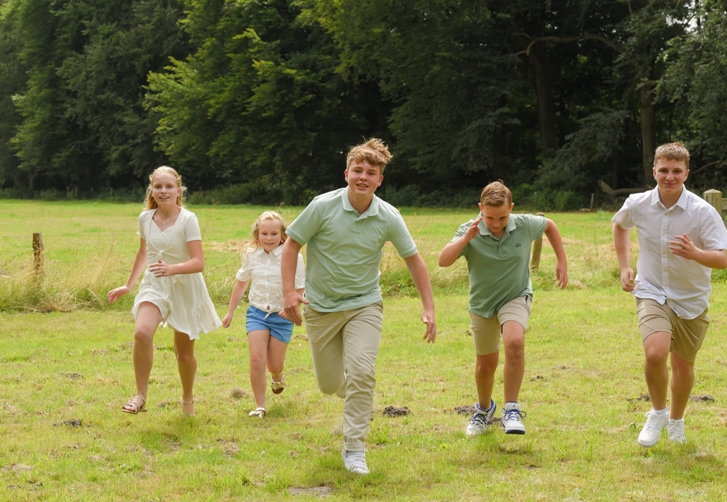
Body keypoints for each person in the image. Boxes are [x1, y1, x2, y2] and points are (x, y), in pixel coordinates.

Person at [281, 138, 436, 475]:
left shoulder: (388, 216)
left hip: (364, 304)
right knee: (329, 385)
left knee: (363, 373)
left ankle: (354, 448)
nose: (363, 177)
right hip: (321, 307)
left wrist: (429, 307)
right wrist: (289, 292)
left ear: (380, 180)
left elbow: (414, 260)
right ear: (346, 174)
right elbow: (291, 245)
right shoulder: (322, 206)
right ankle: (356, 394)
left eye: (371, 172)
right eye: (358, 170)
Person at [612, 142, 727, 447]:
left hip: (691, 298)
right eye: (663, 170)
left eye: (676, 171)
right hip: (651, 290)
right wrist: (625, 266)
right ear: (654, 171)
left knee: (682, 365)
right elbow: (620, 226)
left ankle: (676, 421)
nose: (669, 177)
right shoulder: (638, 204)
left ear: (686, 174)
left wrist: (695, 253)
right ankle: (657, 413)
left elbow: (722, 259)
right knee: (655, 353)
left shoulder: (702, 212)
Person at [438, 181, 568, 437]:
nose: (496, 224)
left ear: (511, 208)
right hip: (483, 304)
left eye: (502, 217)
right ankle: (484, 409)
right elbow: (443, 261)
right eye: (489, 218)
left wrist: (561, 260)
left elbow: (550, 225)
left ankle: (511, 410)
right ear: (480, 208)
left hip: (515, 295)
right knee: (486, 366)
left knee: (514, 341)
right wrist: (466, 239)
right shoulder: (470, 229)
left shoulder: (523, 224)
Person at [108, 166, 221, 416]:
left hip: (185, 286)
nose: (163, 191)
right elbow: (143, 252)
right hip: (155, 284)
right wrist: (128, 285)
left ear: (179, 191)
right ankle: (140, 396)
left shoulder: (188, 219)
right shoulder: (145, 218)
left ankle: (187, 398)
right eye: (158, 186)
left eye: (169, 186)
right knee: (142, 333)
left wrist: (172, 269)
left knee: (184, 355)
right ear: (151, 190)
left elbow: (199, 262)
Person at [222, 211, 305, 418]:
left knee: (274, 364)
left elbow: (300, 288)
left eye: (274, 234)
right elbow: (241, 284)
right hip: (257, 313)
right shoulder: (252, 255)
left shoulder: (294, 256)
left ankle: (277, 375)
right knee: (256, 359)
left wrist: (290, 308)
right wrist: (230, 312)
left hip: (282, 316)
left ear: (282, 235)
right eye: (264, 234)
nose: (269, 238)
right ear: (257, 234)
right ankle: (260, 406)